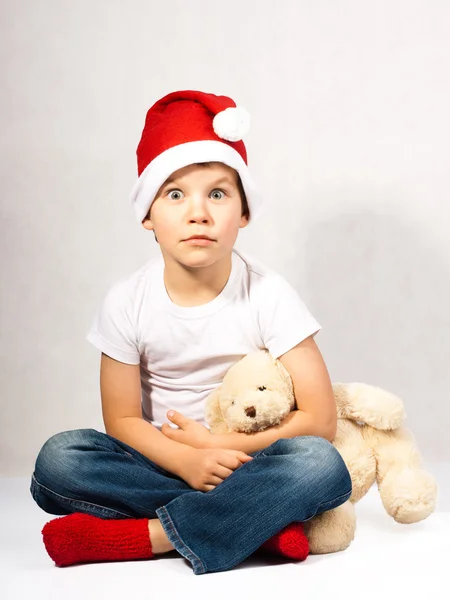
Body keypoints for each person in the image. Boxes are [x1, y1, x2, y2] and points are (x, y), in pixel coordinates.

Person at [30, 90, 352, 575]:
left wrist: (213, 449)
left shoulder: (269, 293)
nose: (198, 212)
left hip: (250, 461)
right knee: (58, 460)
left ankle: (154, 536)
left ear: (243, 214)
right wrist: (186, 462)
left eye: (217, 194)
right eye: (175, 194)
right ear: (147, 215)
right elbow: (122, 421)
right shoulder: (126, 300)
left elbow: (320, 421)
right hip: (159, 461)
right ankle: (255, 523)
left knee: (319, 464)